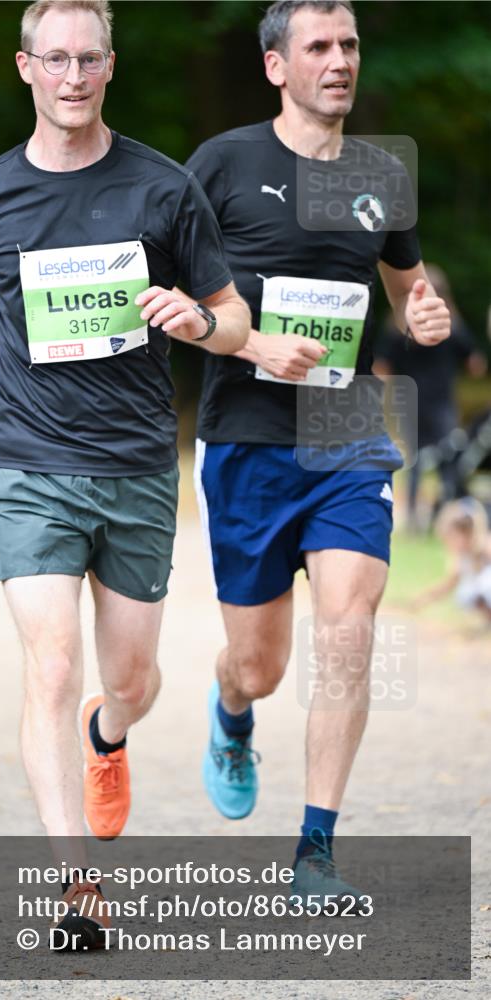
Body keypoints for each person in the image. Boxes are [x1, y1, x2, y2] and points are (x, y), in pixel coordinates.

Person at [0, 0, 249, 948]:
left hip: (137, 462)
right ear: (25, 67)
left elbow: (229, 320)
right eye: (54, 59)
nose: (72, 76)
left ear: (110, 67)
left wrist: (196, 321)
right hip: (28, 463)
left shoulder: (164, 187)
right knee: (51, 666)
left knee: (130, 680)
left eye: (88, 59)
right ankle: (77, 892)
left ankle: (111, 737)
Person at [186, 0, 451, 901]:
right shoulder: (222, 164)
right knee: (258, 665)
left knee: (347, 629)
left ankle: (315, 849)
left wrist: (422, 314)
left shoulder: (381, 173)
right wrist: (249, 340)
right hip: (246, 440)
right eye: (318, 47)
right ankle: (230, 713)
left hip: (345, 438)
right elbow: (169, 302)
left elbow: (409, 285)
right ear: (276, 66)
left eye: (348, 45)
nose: (339, 61)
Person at [374, 263, 487, 530]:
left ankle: (413, 516)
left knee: (414, 461)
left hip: (409, 402)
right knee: (448, 458)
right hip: (441, 403)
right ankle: (444, 514)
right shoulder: (451, 327)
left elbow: (381, 369)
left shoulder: (396, 330)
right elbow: (476, 365)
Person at [409, 498, 491, 623]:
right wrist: (425, 598)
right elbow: (450, 583)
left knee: (484, 586)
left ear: (467, 533)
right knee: (465, 593)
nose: (448, 543)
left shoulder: (485, 547)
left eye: (451, 537)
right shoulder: (462, 557)